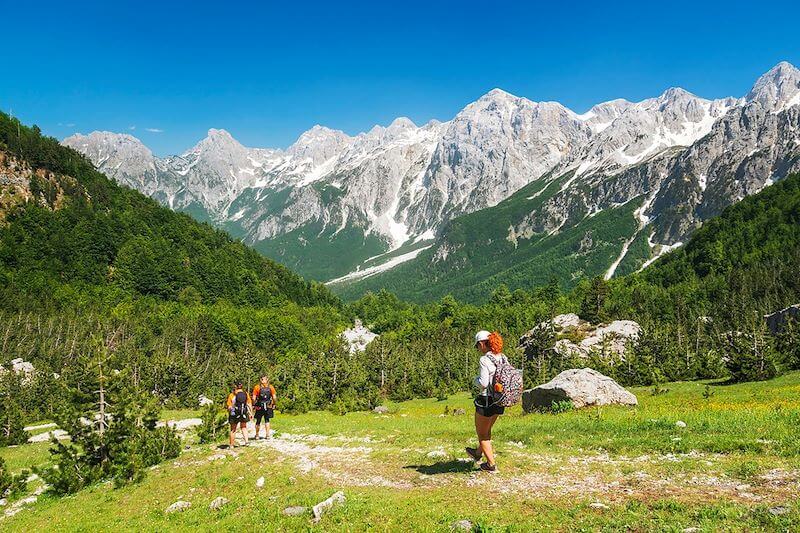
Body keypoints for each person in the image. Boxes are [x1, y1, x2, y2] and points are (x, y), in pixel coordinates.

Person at [466, 330, 507, 472]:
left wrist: (474, 380)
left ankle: (491, 465)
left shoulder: (484, 360)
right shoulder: (502, 357)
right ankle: (477, 454)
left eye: (477, 345)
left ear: (482, 343)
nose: (477, 348)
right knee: (487, 429)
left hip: (486, 400)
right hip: (500, 399)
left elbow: (483, 383)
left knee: (482, 434)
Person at [226, 381, 252, 447]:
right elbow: (249, 403)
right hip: (243, 412)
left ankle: (231, 445)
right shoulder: (245, 394)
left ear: (235, 387)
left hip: (235, 413)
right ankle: (246, 442)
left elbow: (229, 406)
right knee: (244, 427)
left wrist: (230, 411)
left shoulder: (232, 395)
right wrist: (250, 413)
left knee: (233, 429)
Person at [252, 375, 277, 439]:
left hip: (259, 406)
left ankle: (257, 435)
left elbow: (253, 398)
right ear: (267, 380)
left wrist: (254, 405)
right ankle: (267, 435)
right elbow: (274, 397)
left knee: (258, 420)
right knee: (267, 420)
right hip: (268, 406)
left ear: (260, 380)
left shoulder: (257, 387)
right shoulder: (271, 387)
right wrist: (274, 404)